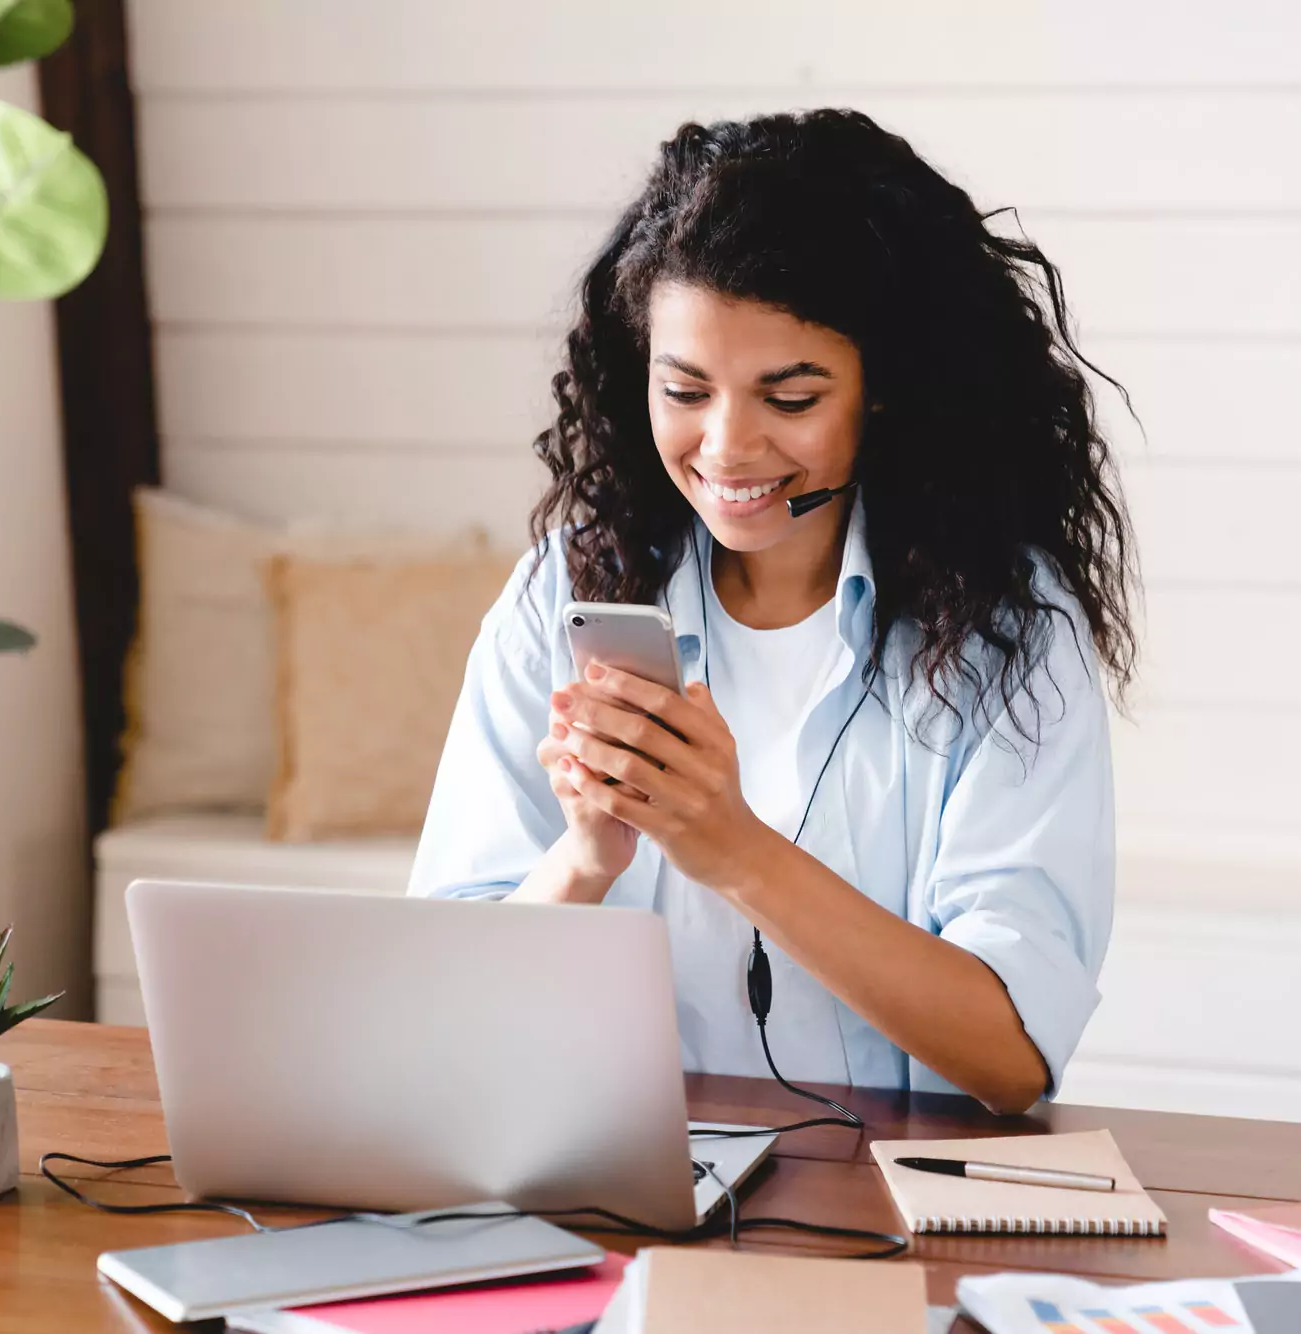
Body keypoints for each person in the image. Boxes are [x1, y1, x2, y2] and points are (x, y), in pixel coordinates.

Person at [409, 109, 1137, 1115]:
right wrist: (583, 859)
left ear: (884, 390)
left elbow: (1010, 1053)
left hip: (887, 1208)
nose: (725, 446)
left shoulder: (1004, 630)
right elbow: (437, 1009)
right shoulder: (562, 593)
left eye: (788, 397)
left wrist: (733, 849)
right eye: (684, 389)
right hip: (612, 1185)